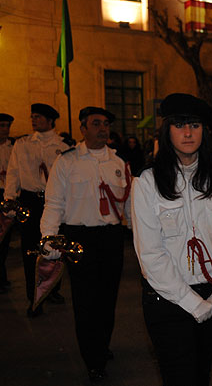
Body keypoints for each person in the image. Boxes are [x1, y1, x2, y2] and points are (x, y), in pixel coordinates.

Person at [131, 93, 212, 386]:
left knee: (201, 374)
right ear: (167, 131)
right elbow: (150, 254)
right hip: (167, 296)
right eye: (179, 125)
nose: (187, 133)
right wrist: (191, 303)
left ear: (204, 131)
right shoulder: (147, 181)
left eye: (194, 125)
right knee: (179, 377)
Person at [40, 107, 131, 382]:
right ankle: (92, 358)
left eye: (106, 124)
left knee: (108, 298)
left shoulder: (118, 162)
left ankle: (101, 344)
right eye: (96, 124)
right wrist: (49, 239)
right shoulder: (67, 162)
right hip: (79, 237)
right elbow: (54, 203)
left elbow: (131, 204)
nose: (103, 128)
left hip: (112, 238)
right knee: (85, 301)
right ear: (83, 128)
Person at [5, 103, 71, 316]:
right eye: (32, 116)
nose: (34, 120)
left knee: (55, 248)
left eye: (38, 117)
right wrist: (9, 199)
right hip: (30, 201)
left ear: (51, 120)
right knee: (30, 250)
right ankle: (33, 297)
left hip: (55, 201)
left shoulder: (63, 145)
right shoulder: (22, 144)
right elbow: (13, 172)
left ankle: (52, 288)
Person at [0, 113, 15, 294]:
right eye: (2, 125)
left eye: (7, 126)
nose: (5, 129)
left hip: (7, 194)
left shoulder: (13, 148)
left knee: (4, 237)